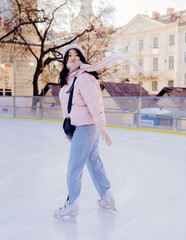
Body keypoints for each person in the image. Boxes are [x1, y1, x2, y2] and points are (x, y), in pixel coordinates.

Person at [54, 44, 144, 220]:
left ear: (81, 58)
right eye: (68, 56)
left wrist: (102, 128)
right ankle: (107, 197)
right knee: (93, 162)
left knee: (74, 168)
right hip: (80, 127)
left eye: (76, 55)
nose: (72, 58)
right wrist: (68, 130)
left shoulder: (84, 78)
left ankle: (71, 205)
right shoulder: (68, 81)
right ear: (64, 62)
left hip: (86, 127)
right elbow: (68, 109)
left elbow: (96, 105)